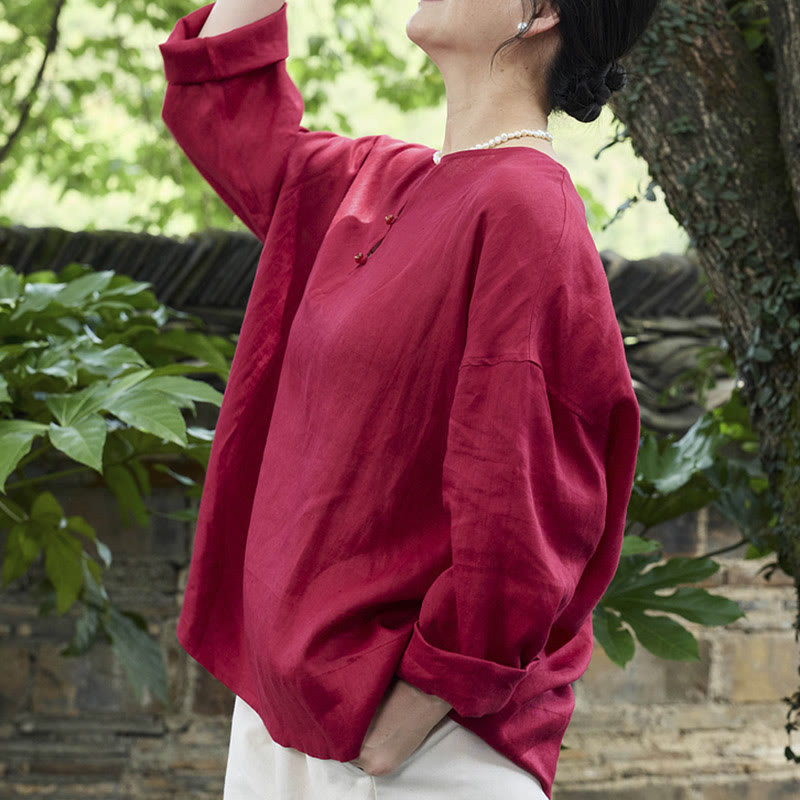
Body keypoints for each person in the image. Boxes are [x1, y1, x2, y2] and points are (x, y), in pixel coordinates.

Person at [158, 1, 659, 797]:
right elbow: (221, 102)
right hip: (286, 721)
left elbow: (521, 511)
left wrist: (415, 710)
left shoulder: (529, 213)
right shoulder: (375, 182)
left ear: (539, 13)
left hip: (419, 754)